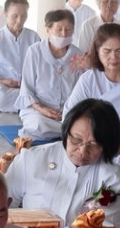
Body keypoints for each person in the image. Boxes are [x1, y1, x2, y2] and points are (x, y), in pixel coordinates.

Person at [12, 99, 120, 228]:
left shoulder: (112, 178)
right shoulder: (32, 158)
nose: (83, 151)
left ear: (106, 146)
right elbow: (3, 206)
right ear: (66, 132)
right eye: (77, 140)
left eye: (93, 145)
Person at [16, 9, 77, 139]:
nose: (64, 34)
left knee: (86, 124)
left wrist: (68, 111)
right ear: (48, 30)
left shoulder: (78, 56)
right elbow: (26, 89)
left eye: (68, 29)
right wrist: (41, 109)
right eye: (59, 29)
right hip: (37, 111)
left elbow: (81, 91)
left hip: (68, 112)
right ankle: (67, 132)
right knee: (38, 124)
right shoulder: (34, 52)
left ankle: (67, 129)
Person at [65, 22, 120, 124]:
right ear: (97, 51)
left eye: (119, 51)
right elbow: (70, 116)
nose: (113, 57)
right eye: (107, 51)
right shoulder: (88, 80)